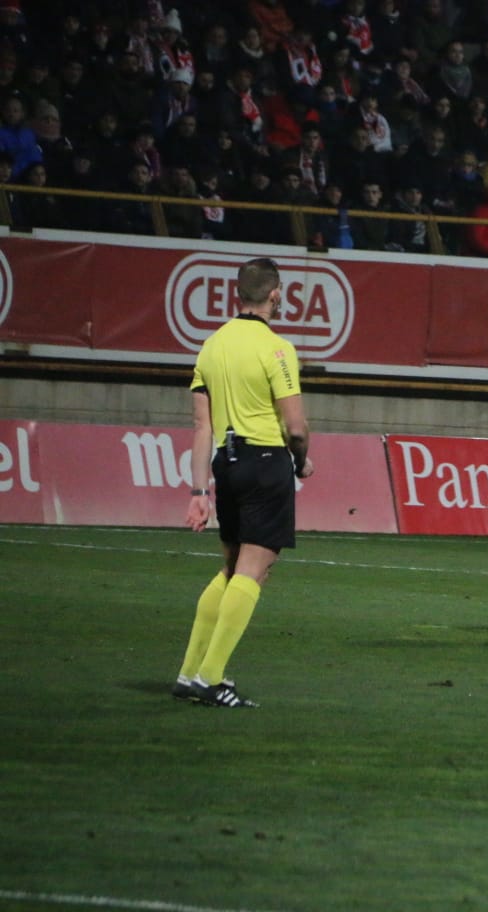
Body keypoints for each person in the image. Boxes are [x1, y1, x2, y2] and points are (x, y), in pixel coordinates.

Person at [175, 257, 315, 707]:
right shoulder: (277, 348)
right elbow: (296, 427)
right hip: (266, 460)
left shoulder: (211, 346)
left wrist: (199, 493)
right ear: (275, 294)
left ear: (238, 294)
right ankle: (211, 678)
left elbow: (201, 427)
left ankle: (189, 672)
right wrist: (301, 461)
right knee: (255, 569)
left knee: (232, 568)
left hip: (226, 464)